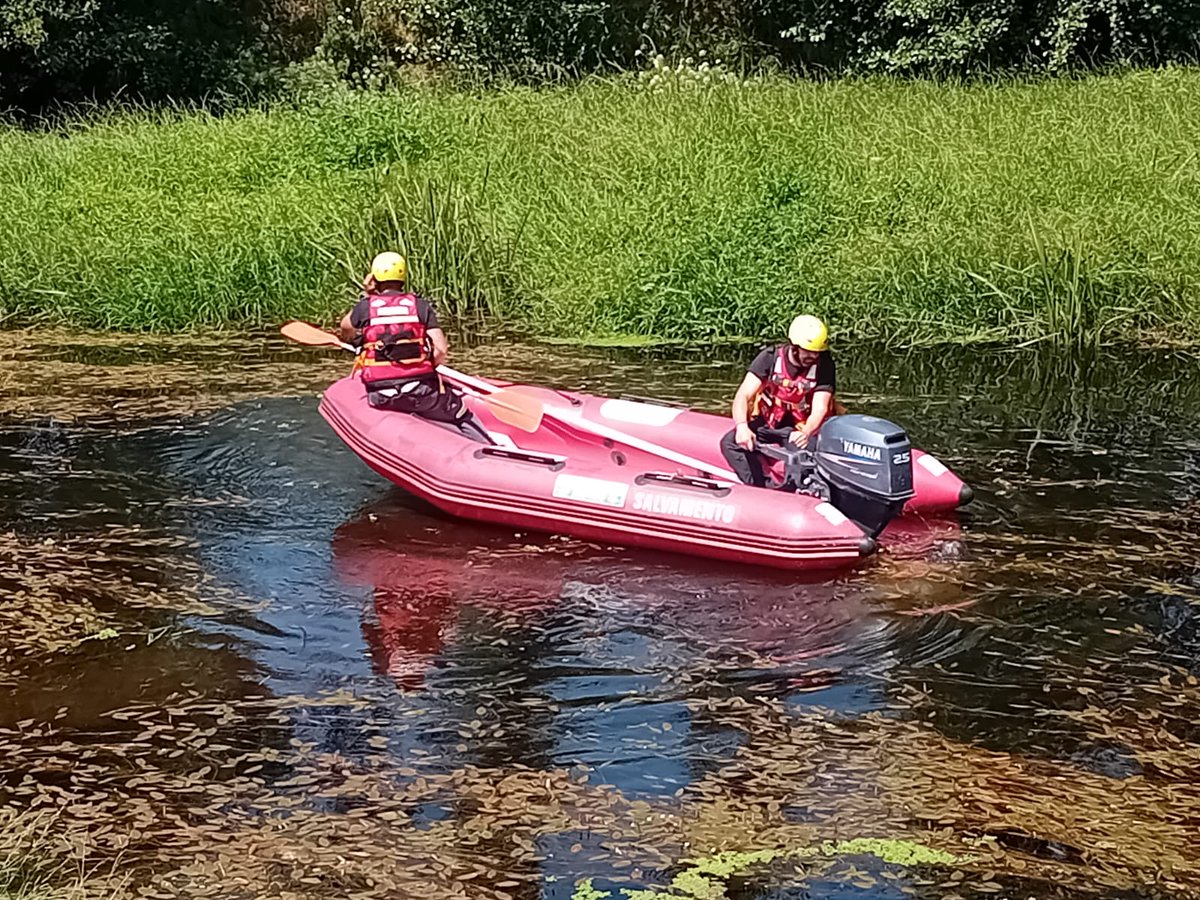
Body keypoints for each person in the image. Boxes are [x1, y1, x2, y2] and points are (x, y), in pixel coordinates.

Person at [339, 251, 491, 443]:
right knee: (460, 413)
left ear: (374, 278)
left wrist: (368, 296)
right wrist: (430, 364)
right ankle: (487, 447)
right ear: (403, 278)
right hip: (421, 391)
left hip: (381, 396)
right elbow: (441, 349)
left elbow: (346, 328)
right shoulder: (419, 306)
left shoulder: (365, 307)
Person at [719, 314, 836, 487]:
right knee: (729, 444)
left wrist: (807, 432)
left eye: (817, 352)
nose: (813, 356)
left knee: (803, 457)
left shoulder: (824, 365)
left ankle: (794, 491)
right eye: (808, 351)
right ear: (794, 347)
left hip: (798, 429)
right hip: (768, 422)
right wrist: (742, 426)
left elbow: (820, 408)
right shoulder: (770, 357)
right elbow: (743, 395)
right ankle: (758, 486)